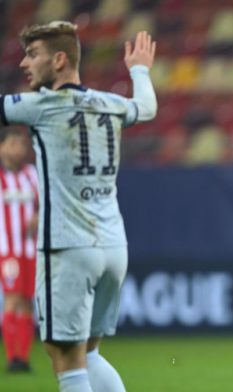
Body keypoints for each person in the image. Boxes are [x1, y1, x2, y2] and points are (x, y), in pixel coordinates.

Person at [0, 22, 157, 391]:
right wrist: (139, 70)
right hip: (114, 246)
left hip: (69, 247)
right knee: (89, 354)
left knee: (65, 359)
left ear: (58, 60)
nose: (24, 63)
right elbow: (146, 108)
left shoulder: (42, 105)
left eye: (32, 55)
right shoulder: (110, 103)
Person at [0, 129, 38, 373]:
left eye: (22, 145)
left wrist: (37, 215)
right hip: (7, 251)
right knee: (12, 299)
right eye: (13, 144)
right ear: (1, 147)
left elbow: (46, 202)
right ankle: (12, 357)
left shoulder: (31, 174)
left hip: (31, 250)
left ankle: (23, 359)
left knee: (28, 302)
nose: (19, 150)